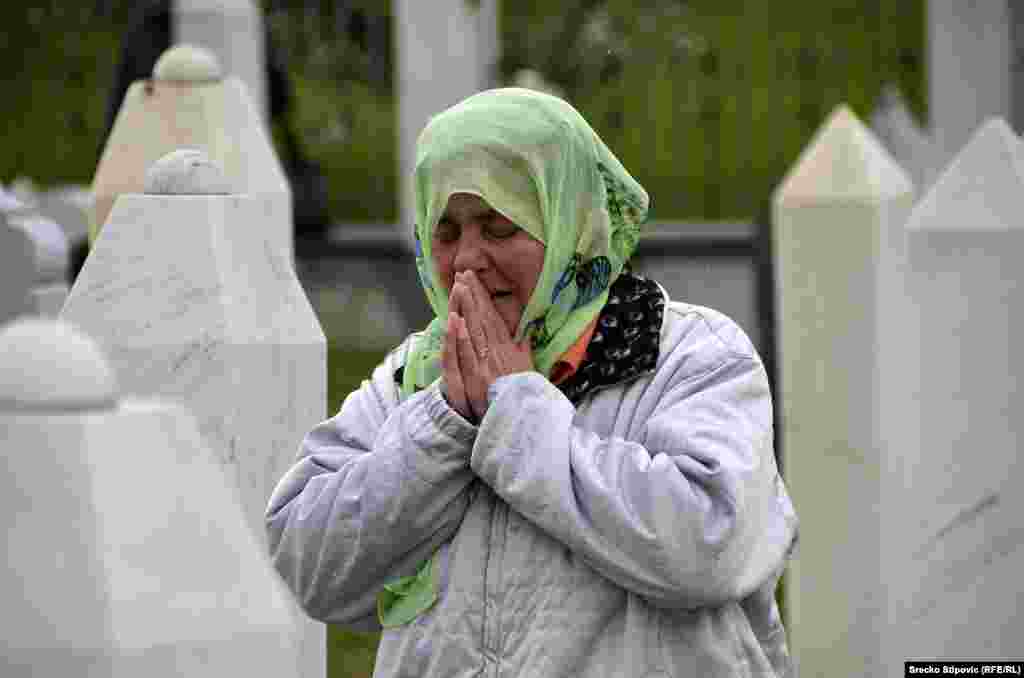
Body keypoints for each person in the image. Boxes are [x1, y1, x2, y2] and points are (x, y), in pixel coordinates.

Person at [266, 87, 798, 677]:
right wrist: (446, 421)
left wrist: (516, 415)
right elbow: (310, 561)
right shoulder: (415, 375)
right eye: (446, 232)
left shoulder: (688, 356)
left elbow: (709, 545)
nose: (466, 258)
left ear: (570, 225)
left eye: (498, 228)